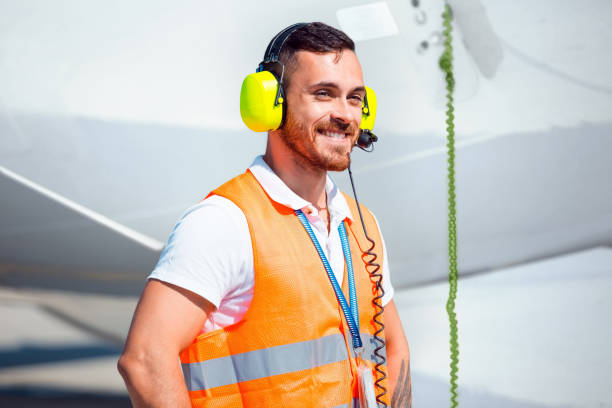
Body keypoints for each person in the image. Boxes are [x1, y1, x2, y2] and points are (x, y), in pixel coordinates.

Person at [118, 22, 411, 407]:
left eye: (355, 98)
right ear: (272, 103)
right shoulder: (223, 222)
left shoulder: (361, 225)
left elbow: (393, 348)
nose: (345, 114)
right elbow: (144, 359)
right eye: (324, 94)